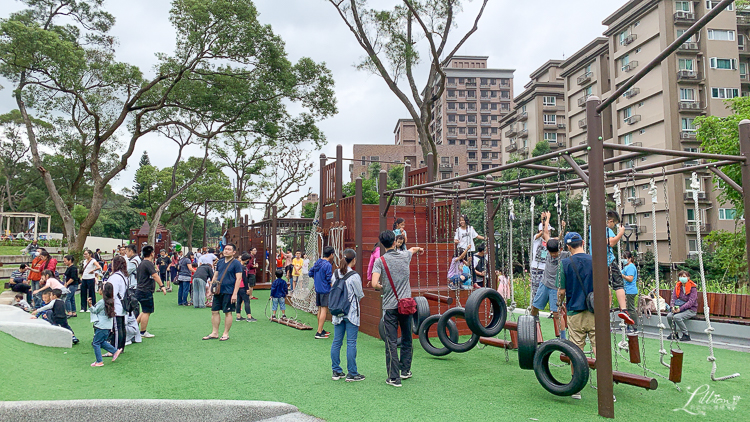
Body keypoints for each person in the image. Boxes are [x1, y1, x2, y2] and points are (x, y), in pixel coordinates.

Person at [371, 230, 423, 387]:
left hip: (390, 306)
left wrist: (382, 286)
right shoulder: (405, 256)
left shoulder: (380, 261)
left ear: (382, 244)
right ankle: (405, 370)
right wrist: (419, 249)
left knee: (391, 342)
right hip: (406, 305)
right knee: (407, 337)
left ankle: (394, 377)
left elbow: (374, 284)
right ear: (395, 242)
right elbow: (412, 249)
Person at [557, 232, 594, 400]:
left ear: (568, 247)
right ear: (583, 242)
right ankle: (605, 387)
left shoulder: (564, 263)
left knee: (576, 351)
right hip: (595, 312)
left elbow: (562, 291)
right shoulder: (596, 260)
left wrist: (559, 304)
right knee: (600, 349)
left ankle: (576, 388)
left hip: (574, 311)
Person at [590, 210, 635, 325]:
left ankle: (603, 309)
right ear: (610, 221)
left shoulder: (591, 229)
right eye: (614, 224)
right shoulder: (606, 230)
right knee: (618, 284)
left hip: (595, 263)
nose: (613, 227)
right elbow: (611, 242)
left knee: (604, 287)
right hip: (608, 261)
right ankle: (624, 310)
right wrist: (621, 233)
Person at [330, 248, 365, 382]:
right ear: (354, 260)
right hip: (351, 312)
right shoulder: (354, 276)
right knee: (351, 342)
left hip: (337, 312)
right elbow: (360, 294)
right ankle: (352, 373)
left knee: (337, 341)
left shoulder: (336, 273)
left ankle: (336, 371)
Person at [203, 243, 244, 341]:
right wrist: (210, 289)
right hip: (218, 291)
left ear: (234, 252)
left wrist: (234, 293)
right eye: (225, 249)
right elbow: (215, 276)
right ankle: (214, 332)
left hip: (229, 291)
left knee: (228, 312)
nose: (226, 251)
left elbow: (238, 279)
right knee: (214, 311)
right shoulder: (220, 262)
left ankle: (226, 333)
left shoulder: (236, 263)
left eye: (229, 249)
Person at [531, 237, 569, 339]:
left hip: (555, 288)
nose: (553, 255)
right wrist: (546, 221)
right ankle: (531, 328)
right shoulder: (548, 251)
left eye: (555, 253)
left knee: (557, 313)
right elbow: (547, 235)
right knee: (534, 307)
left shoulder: (565, 255)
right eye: (551, 253)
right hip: (544, 284)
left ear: (560, 249)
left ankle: (563, 338)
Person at [135, 245, 167, 338]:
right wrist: (162, 286)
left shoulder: (141, 263)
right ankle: (142, 332)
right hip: (145, 290)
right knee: (147, 311)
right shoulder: (148, 263)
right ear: (151, 253)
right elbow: (155, 275)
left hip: (140, 289)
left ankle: (134, 328)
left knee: (144, 310)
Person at [88, 283, 122, 366]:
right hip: (107, 326)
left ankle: (99, 361)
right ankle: (114, 351)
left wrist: (90, 305)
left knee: (96, 343)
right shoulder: (111, 301)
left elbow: (95, 311)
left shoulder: (102, 302)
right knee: (102, 341)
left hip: (100, 325)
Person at [309, 246, 335, 339]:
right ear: (331, 254)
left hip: (318, 289)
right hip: (325, 289)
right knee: (324, 309)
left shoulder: (318, 262)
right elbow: (329, 278)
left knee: (320, 309)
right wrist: (334, 287)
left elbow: (310, 273)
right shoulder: (327, 265)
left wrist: (317, 279)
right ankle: (319, 332)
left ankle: (320, 328)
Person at [667, 270, 698, 342]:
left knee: (677, 317)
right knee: (669, 316)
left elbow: (691, 302)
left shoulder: (693, 288)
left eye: (684, 276)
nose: (682, 278)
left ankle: (686, 334)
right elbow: (673, 298)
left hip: (690, 309)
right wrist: (672, 307)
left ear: (688, 277)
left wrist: (680, 309)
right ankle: (674, 333)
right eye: (680, 276)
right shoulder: (678, 286)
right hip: (679, 308)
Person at [107, 256, 129, 352]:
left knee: (117, 328)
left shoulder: (115, 277)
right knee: (121, 327)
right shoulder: (124, 276)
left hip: (116, 305)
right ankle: (121, 348)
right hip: (123, 304)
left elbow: (112, 293)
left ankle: (115, 349)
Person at [235, 253, 256, 323]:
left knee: (239, 301)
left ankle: (238, 316)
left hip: (237, 286)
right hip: (243, 286)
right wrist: (247, 288)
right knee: (247, 301)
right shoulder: (243, 268)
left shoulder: (237, 266)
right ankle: (249, 317)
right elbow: (244, 278)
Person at [621, 251, 639, 332]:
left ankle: (634, 326)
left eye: (625, 258)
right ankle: (627, 325)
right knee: (626, 308)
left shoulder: (631, 267)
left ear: (629, 259)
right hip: (626, 290)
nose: (623, 260)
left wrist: (622, 276)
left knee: (630, 309)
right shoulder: (626, 266)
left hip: (630, 290)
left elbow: (630, 279)